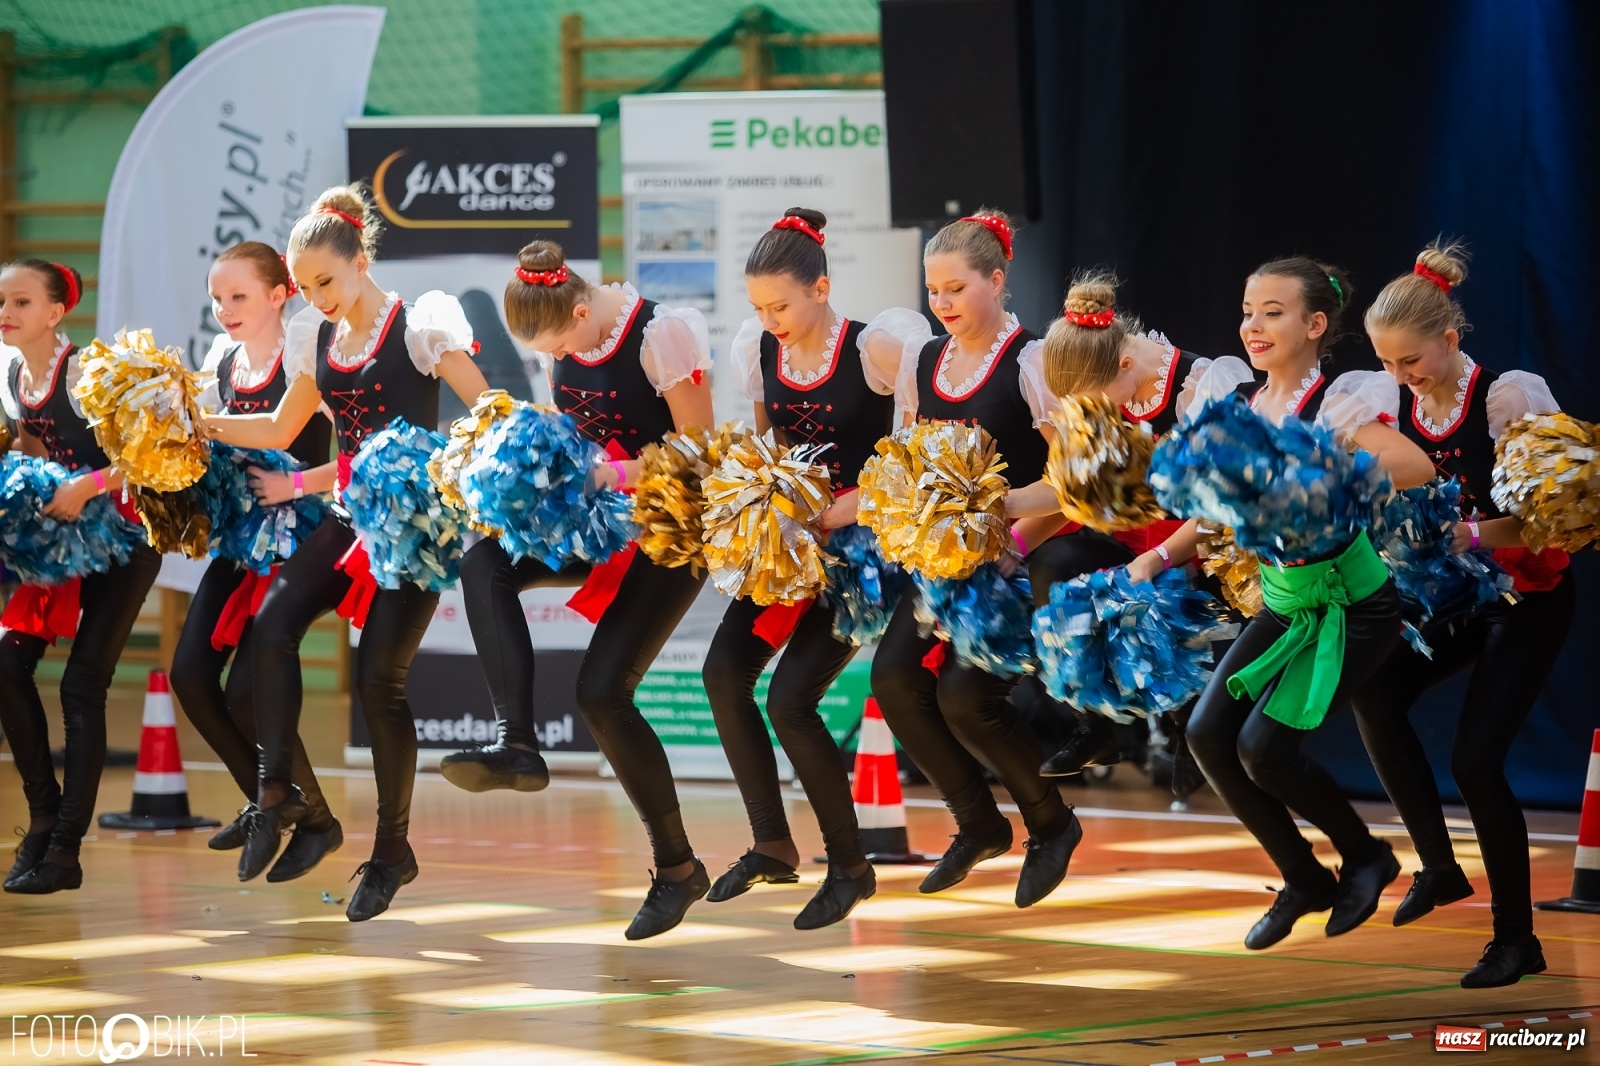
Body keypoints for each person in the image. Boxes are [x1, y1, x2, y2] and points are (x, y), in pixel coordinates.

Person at [1127, 257, 1434, 950]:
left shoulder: (1338, 406)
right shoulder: (1236, 409)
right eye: (1247, 310)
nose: (1254, 325)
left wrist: (1318, 473)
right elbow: (1210, 514)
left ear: (1314, 324)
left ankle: (1367, 856)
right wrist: (1156, 555)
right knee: (1207, 736)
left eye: (1273, 311)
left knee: (1266, 748)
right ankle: (1303, 876)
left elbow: (1417, 466)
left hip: (1356, 605)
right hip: (1285, 600)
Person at [202, 184, 488, 921]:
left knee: (376, 686)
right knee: (270, 626)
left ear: (360, 260)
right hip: (345, 516)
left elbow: (486, 412)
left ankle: (393, 851)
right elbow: (273, 428)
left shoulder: (419, 322)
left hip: (413, 528)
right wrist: (193, 418)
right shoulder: (313, 338)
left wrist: (438, 472)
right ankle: (275, 795)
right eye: (304, 288)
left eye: (326, 281)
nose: (317, 298)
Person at [439, 239, 717, 940]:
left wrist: (609, 475)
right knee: (484, 561)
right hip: (596, 518)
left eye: (555, 342)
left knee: (600, 693)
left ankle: (678, 869)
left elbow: (700, 449)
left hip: (668, 529)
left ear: (585, 310)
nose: (551, 358)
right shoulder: (567, 340)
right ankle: (517, 742)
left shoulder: (661, 335)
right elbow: (577, 432)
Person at [1352, 242, 1573, 988]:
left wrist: (1472, 532)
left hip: (1528, 595)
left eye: (1410, 361)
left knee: (1476, 760)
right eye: (1386, 363)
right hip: (1458, 594)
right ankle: (1440, 868)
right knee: (1371, 690)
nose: (1399, 376)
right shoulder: (1395, 409)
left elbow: (1556, 519)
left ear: (1449, 339)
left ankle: (1516, 939)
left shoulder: (1507, 396)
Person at [702, 208, 930, 928]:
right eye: (758, 307)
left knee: (791, 701)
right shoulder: (761, 352)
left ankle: (850, 866)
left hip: (860, 553)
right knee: (721, 674)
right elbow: (770, 446)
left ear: (822, 288)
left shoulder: (879, 351)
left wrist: (841, 510)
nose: (769, 318)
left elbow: (915, 459)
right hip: (790, 548)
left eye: (781, 304)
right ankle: (771, 842)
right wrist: (759, 500)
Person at [870, 210, 1084, 908]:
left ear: (998, 280)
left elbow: (1074, 487)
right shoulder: (923, 360)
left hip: (1020, 565)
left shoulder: (1034, 361)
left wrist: (1005, 533)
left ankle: (1051, 825)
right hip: (941, 569)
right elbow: (905, 464)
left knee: (966, 699)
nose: (943, 304)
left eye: (957, 288)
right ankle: (978, 823)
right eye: (933, 291)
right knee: (895, 681)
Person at [1005, 271, 1242, 780]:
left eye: (1096, 400)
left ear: (1127, 363)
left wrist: (1159, 556)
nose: (1093, 415)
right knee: (1052, 566)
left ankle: (1185, 725)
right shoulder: (1093, 391)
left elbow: (1222, 506)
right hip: (1131, 547)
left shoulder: (1200, 386)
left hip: (1199, 549)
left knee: (1167, 598)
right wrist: (999, 508)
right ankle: (1095, 727)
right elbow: (1070, 492)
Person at [171, 242, 340, 882]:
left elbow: (322, 446)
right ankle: (297, 810)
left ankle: (287, 807)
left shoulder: (308, 353)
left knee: (245, 692)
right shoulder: (221, 361)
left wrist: (295, 484)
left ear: (279, 294)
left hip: (300, 536)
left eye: (238, 295)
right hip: (243, 537)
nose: (224, 309)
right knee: (190, 675)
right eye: (217, 298)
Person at [0, 259, 161, 893]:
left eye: (20, 301)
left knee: (80, 687)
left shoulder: (90, 371)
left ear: (55, 312)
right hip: (61, 540)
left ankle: (66, 849)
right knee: (7, 666)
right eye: (0, 301)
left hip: (123, 536)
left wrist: (87, 484)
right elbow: (39, 451)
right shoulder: (14, 375)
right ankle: (42, 817)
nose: (5, 312)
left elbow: (154, 450)